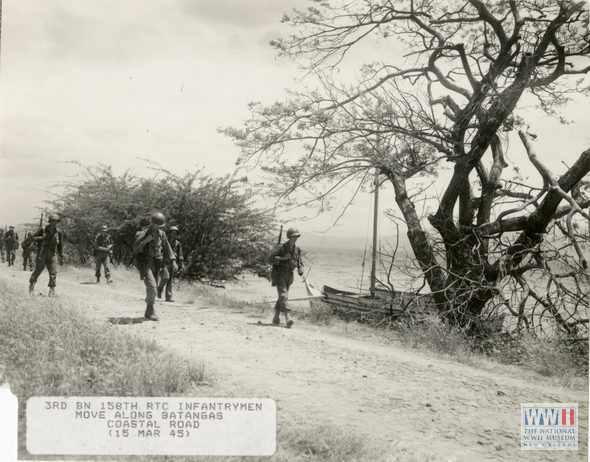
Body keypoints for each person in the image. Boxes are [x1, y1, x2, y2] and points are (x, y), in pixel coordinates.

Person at [133, 212, 177, 321]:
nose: (157, 227)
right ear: (151, 223)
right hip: (146, 263)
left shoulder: (162, 234)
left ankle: (149, 309)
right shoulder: (144, 233)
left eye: (160, 226)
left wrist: (173, 261)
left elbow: (167, 248)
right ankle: (151, 309)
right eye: (156, 225)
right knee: (152, 287)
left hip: (158, 263)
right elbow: (135, 249)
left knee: (155, 287)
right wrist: (145, 241)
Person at [268, 227, 304, 328]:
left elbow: (300, 262)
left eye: (296, 236)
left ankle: (276, 317)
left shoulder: (297, 249)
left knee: (283, 295)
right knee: (284, 294)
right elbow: (270, 258)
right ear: (289, 237)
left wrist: (300, 269)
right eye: (293, 237)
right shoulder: (282, 247)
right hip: (280, 273)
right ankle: (288, 317)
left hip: (289, 274)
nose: (295, 238)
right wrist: (283, 258)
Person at [29, 214, 64, 296]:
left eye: (56, 221)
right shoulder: (43, 229)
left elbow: (60, 245)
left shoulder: (58, 232)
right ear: (50, 221)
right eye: (53, 221)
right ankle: (31, 285)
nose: (54, 223)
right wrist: (41, 237)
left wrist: (61, 256)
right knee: (38, 270)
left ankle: (52, 290)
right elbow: (31, 238)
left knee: (53, 271)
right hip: (42, 252)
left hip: (52, 253)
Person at [157, 225, 184, 302]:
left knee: (170, 280)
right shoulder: (165, 241)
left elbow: (180, 254)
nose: (173, 234)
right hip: (164, 262)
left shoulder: (178, 244)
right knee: (165, 277)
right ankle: (159, 289)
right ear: (169, 233)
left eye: (175, 233)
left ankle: (168, 297)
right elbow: (160, 250)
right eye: (172, 233)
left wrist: (181, 263)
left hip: (173, 263)